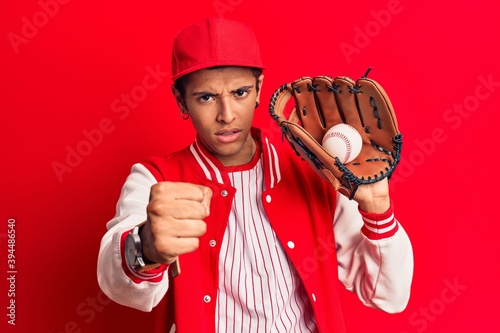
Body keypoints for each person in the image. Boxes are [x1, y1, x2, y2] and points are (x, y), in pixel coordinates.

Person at [97, 17, 413, 333]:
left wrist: (378, 207)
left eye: (240, 92)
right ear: (181, 100)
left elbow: (388, 295)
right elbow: (118, 284)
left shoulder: (311, 167)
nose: (227, 114)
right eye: (206, 97)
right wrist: (146, 245)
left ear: (259, 89)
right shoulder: (155, 179)